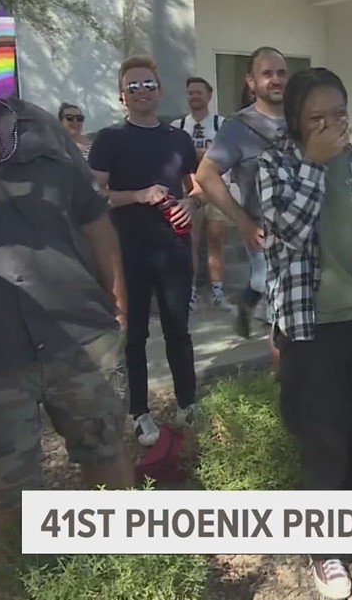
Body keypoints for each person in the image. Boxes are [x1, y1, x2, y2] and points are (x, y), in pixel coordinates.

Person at [258, 67, 352, 599]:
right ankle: (325, 551)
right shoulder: (274, 165)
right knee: (323, 443)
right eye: (316, 119)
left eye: (339, 115)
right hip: (309, 331)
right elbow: (290, 232)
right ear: (297, 123)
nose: (330, 127)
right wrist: (316, 168)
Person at [0, 95, 132, 571]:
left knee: (106, 451)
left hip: (78, 330)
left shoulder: (37, 122)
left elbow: (92, 215)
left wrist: (117, 304)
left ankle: (127, 573)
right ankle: (12, 589)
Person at [87, 55, 203, 446]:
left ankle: (188, 403)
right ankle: (140, 413)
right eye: (133, 87)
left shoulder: (178, 139)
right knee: (134, 335)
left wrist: (192, 203)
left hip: (173, 248)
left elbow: (199, 186)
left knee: (178, 331)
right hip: (129, 251)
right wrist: (138, 195)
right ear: (122, 97)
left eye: (148, 85)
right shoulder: (109, 140)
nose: (142, 92)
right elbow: (95, 196)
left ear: (160, 90)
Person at [194, 47, 289, 373]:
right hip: (266, 235)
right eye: (267, 73)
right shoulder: (238, 127)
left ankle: (249, 306)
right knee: (282, 321)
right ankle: (287, 392)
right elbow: (206, 174)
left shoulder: (303, 116)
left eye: (281, 73)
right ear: (251, 81)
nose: (276, 80)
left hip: (309, 236)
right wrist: (243, 222)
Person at [172, 76, 232, 311]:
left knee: (216, 240)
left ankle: (218, 292)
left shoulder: (221, 124)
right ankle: (191, 293)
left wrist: (196, 153)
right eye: (190, 93)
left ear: (209, 95)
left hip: (216, 189)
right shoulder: (177, 127)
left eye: (199, 92)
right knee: (191, 242)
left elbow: (226, 154)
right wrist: (206, 154)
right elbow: (177, 158)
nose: (194, 96)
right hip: (189, 190)